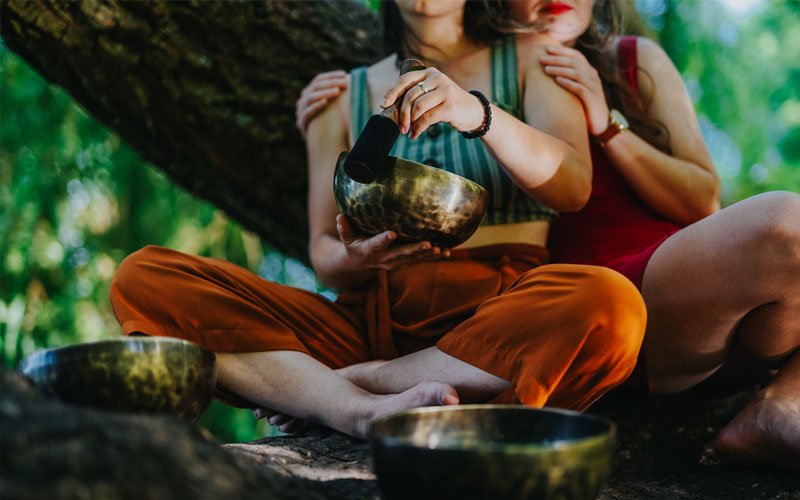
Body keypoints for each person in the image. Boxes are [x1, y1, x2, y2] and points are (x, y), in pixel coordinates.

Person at [110, 0, 648, 440]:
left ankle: (356, 385)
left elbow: (574, 186)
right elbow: (323, 255)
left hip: (499, 313)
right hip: (372, 318)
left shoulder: (536, 57)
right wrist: (354, 257)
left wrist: (476, 113)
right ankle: (354, 409)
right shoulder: (340, 98)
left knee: (612, 306)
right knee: (145, 279)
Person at [295, 0, 800, 466]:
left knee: (787, 228)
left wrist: (607, 127)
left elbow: (703, 200)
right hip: (591, 313)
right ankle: (379, 381)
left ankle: (781, 403)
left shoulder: (630, 61)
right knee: (786, 226)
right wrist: (335, 113)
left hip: (698, 301)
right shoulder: (487, 74)